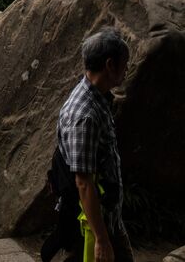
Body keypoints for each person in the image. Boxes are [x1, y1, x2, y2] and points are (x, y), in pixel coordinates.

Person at [57, 27, 135, 262]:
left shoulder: (97, 97)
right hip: (94, 223)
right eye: (125, 64)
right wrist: (101, 239)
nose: (127, 69)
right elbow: (83, 182)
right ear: (110, 65)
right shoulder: (86, 114)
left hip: (108, 216)